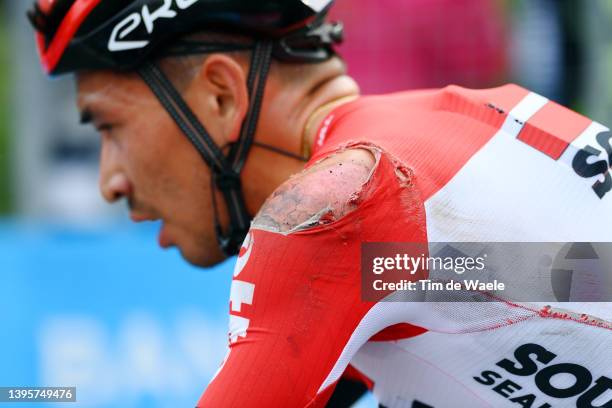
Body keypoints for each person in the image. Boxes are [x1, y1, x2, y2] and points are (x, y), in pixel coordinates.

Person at [28, 1, 611, 407]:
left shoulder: (334, 208)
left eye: (108, 127)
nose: (109, 180)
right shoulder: (421, 162)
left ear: (220, 94)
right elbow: (552, 275)